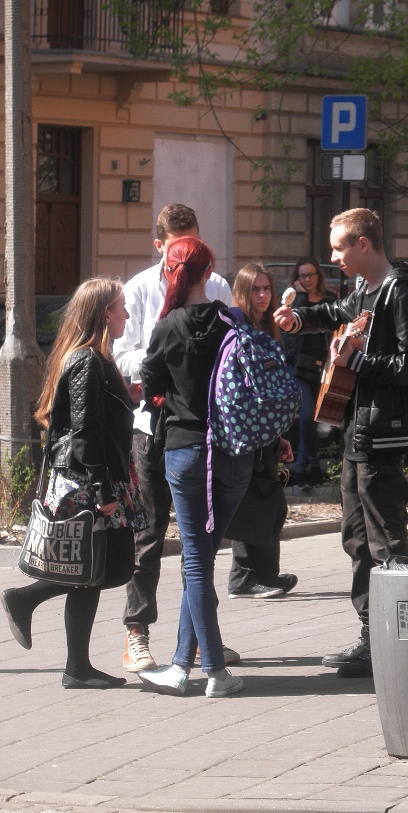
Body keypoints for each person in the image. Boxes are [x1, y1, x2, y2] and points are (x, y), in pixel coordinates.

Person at [274, 209, 408, 678]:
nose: (333, 257)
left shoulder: (401, 293)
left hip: (383, 432)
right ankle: (371, 636)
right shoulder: (363, 289)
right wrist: (296, 320)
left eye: (339, 247)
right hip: (357, 430)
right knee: (357, 538)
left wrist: (359, 363)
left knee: (387, 540)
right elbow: (333, 313)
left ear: (364, 243)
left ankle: (404, 642)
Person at [1, 278, 145, 689]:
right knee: (95, 567)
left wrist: (129, 397)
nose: (127, 315)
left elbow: (97, 419)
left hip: (99, 477)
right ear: (103, 313)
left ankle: (76, 665)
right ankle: (27, 601)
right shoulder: (86, 361)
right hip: (88, 480)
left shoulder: (98, 358)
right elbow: (84, 432)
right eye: (121, 307)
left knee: (98, 568)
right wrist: (102, 492)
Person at [113, 203, 235, 674]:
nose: (185, 255)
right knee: (148, 533)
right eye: (176, 247)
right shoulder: (141, 288)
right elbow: (121, 354)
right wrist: (161, 355)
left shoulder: (216, 285)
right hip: (152, 429)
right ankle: (137, 632)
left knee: (199, 540)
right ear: (160, 246)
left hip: (203, 430)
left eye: (194, 243)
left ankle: (201, 639)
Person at [136, 235, 254, 697]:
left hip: (186, 451)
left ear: (170, 271)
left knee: (196, 562)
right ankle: (182, 666)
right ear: (210, 271)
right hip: (235, 452)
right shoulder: (233, 320)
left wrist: (168, 396)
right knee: (201, 557)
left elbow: (150, 387)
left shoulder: (168, 327)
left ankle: (216, 673)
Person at [224, 263, 297, 599]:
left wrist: (278, 435)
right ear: (243, 292)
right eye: (255, 289)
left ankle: (258, 576)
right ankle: (249, 578)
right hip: (244, 431)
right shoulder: (236, 330)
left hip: (263, 431)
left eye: (267, 288)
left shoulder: (266, 329)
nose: (263, 295)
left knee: (264, 502)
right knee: (258, 503)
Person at [284, 257, 336, 489]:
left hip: (322, 368)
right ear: (297, 279)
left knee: (316, 418)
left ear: (318, 276)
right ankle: (312, 464)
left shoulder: (330, 301)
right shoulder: (293, 301)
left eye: (311, 275)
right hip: (297, 367)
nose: (307, 280)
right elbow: (292, 329)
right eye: (303, 276)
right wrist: (300, 297)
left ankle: (302, 469)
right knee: (306, 416)